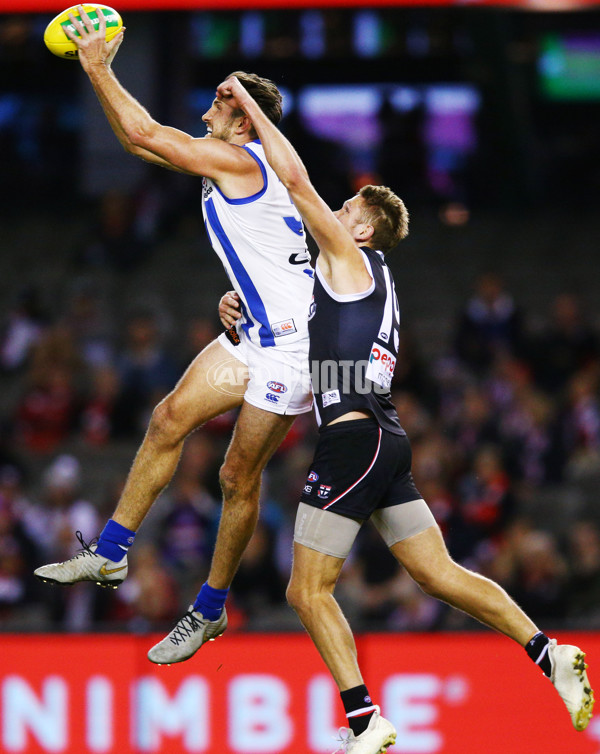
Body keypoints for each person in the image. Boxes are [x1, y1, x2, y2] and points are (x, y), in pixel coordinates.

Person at [215, 76, 594, 753]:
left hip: (354, 440)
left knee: (306, 592)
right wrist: (238, 308)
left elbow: (296, 182)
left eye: (346, 206)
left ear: (361, 226)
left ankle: (365, 720)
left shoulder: (349, 256)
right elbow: (314, 337)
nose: (334, 208)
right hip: (383, 436)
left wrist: (252, 116)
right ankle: (547, 652)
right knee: (438, 573)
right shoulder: (361, 277)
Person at [34, 8, 314, 664]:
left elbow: (146, 136)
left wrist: (98, 66)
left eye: (223, 96)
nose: (210, 100)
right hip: (255, 329)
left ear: (246, 119)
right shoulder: (240, 163)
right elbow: (281, 247)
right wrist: (244, 292)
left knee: (237, 477)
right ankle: (107, 556)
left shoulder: (241, 158)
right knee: (165, 422)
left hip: (293, 350)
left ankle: (211, 609)